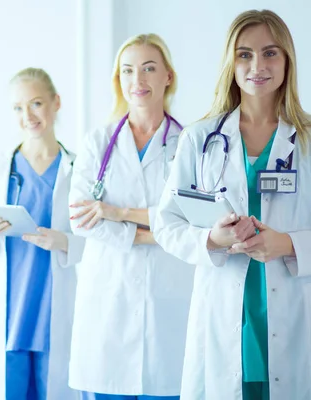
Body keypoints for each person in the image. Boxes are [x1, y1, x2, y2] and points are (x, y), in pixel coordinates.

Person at [154, 9, 311, 400]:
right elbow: (167, 223)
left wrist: (286, 244)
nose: (257, 66)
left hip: (295, 306)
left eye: (270, 53)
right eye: (245, 54)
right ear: (231, 63)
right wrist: (212, 239)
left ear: (287, 60)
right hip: (225, 310)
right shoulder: (200, 138)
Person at [68, 33, 194, 400]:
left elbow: (193, 222)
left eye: (148, 68)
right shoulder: (98, 141)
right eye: (127, 71)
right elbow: (80, 219)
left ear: (167, 76)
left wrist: (116, 213)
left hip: (168, 300)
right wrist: (151, 232)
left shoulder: (190, 144)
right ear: (118, 80)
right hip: (109, 299)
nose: (137, 81)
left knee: (166, 386)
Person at [0, 67, 85, 400]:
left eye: (36, 104)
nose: (28, 115)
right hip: (9, 312)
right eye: (18, 108)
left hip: (53, 307)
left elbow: (96, 242)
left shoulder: (78, 170)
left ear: (56, 103)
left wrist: (62, 241)